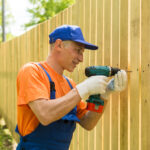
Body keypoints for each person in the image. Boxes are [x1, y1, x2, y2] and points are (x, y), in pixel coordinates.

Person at [15, 25, 127, 150]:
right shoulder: (32, 71)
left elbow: (88, 122)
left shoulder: (70, 85)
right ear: (59, 45)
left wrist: (104, 95)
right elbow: (45, 115)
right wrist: (82, 90)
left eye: (82, 53)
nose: (81, 58)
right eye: (78, 50)